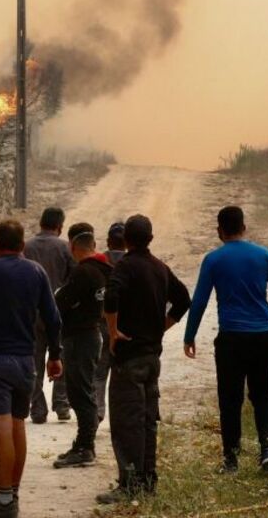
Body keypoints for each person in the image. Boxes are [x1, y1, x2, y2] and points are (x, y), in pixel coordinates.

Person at [0, 220, 63, 518]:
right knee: (18, 426)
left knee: (1, 430)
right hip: (25, 360)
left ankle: (4, 502)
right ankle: (12, 494)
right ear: (22, 246)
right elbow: (53, 319)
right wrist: (55, 355)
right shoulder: (36, 271)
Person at [184, 206, 268, 473]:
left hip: (231, 338)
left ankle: (231, 460)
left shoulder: (213, 260)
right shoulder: (264, 255)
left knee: (230, 399)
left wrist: (189, 335)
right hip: (262, 336)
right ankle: (267, 451)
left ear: (220, 231)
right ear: (244, 227)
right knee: (262, 395)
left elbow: (199, 301)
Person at [97, 214, 190, 504]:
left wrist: (113, 331)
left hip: (128, 359)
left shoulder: (124, 266)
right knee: (148, 421)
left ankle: (129, 485)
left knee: (127, 423)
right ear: (150, 239)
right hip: (152, 358)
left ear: (125, 239)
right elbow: (184, 299)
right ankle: (148, 481)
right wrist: (160, 326)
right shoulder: (159, 267)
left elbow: (111, 297)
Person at [53, 223, 112, 468]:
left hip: (80, 338)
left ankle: (85, 446)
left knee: (80, 392)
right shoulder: (105, 270)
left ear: (73, 247)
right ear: (94, 246)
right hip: (93, 334)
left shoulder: (83, 272)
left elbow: (61, 300)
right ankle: (83, 443)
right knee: (82, 390)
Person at [23, 207, 74, 423]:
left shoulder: (27, 247)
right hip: (59, 313)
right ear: (60, 226)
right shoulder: (65, 248)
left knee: (34, 361)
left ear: (41, 223)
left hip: (31, 313)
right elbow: (73, 281)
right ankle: (62, 404)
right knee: (60, 356)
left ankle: (37, 408)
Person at [94, 222, 128, 422]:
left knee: (99, 374)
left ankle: (98, 410)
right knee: (121, 374)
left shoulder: (99, 261)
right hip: (124, 326)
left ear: (107, 241)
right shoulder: (131, 262)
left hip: (100, 325)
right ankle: (121, 415)